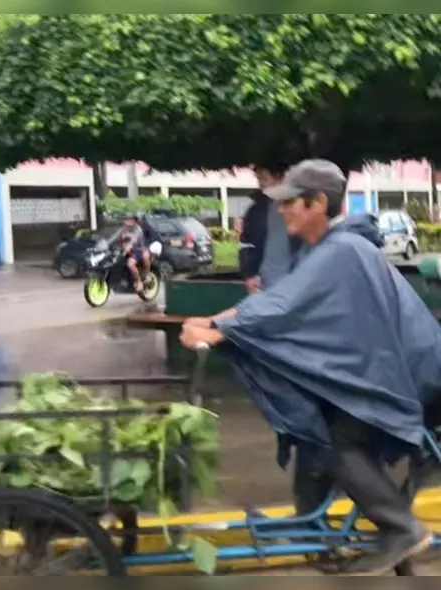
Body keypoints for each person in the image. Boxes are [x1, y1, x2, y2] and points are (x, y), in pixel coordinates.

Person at [180, 159, 441, 576]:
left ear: (317, 203)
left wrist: (220, 331)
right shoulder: (328, 251)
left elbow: (281, 307)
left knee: (338, 446)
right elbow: (280, 300)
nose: (280, 211)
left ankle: (401, 528)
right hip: (396, 369)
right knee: (313, 434)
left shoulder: (341, 251)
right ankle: (323, 536)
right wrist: (213, 323)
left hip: (413, 376)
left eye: (290, 203)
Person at [239, 166, 301, 294]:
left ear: (279, 178)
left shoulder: (300, 207)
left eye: (264, 178)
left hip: (296, 284)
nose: (260, 184)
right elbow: (246, 244)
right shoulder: (256, 210)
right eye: (258, 178)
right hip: (265, 285)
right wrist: (250, 275)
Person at [119, 214, 148, 292]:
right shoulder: (124, 229)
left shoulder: (138, 229)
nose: (127, 221)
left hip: (137, 250)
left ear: (134, 221)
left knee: (130, 264)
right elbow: (117, 238)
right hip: (126, 250)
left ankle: (139, 282)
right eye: (126, 219)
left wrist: (128, 247)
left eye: (130, 220)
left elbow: (133, 241)